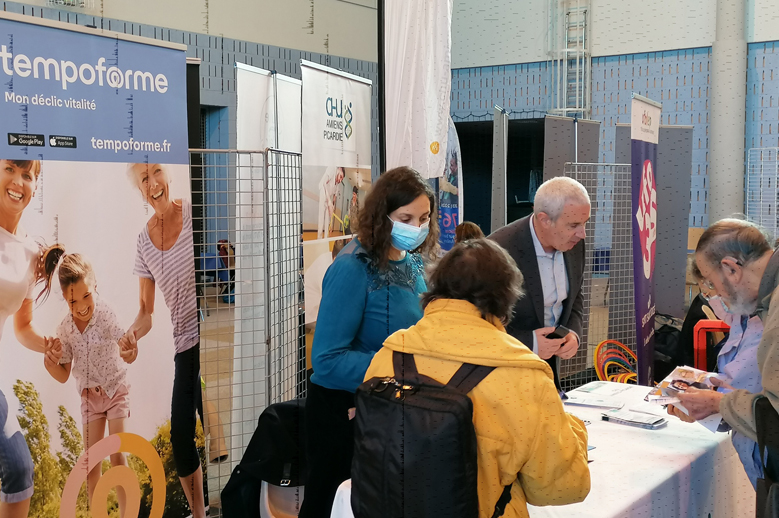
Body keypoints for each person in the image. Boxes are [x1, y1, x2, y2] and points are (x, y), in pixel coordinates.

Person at [363, 238, 590, 517]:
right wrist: (574, 428)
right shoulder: (525, 376)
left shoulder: (391, 353)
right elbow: (561, 488)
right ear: (505, 298)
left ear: (436, 285)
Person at [300, 166, 438, 518]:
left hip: (388, 406)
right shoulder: (352, 267)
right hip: (342, 412)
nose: (416, 227)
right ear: (382, 216)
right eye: (406, 217)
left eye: (423, 217)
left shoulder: (415, 262)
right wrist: (400, 368)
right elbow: (327, 360)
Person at [119, 163, 206, 518]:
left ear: (169, 176)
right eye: (144, 179)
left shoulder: (194, 214)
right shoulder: (143, 242)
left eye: (157, 173)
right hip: (184, 346)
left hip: (211, 337)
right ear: (139, 190)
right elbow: (146, 311)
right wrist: (131, 337)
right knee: (181, 437)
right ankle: (200, 514)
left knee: (220, 430)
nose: (153, 183)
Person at [670, 219, 776, 488]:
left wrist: (719, 404)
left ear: (730, 268)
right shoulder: (764, 301)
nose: (716, 294)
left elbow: (774, 417)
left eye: (712, 282)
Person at [42, 251, 131, 515]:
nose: (81, 305)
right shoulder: (64, 329)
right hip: (89, 399)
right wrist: (50, 365)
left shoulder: (105, 313)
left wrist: (130, 350)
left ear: (95, 286)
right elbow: (63, 374)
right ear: (64, 298)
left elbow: (124, 344)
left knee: (117, 455)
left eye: (86, 296)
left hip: (115, 389)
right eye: (72, 301)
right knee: (92, 463)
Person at [0, 159, 60, 518]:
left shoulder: (30, 254)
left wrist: (48, 345)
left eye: (28, 175)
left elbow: (23, 327)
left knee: (20, 469)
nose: (18, 182)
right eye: (10, 169)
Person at [489, 176, 590, 389]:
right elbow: (477, 323)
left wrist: (572, 332)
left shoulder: (573, 243)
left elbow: (576, 295)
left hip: (548, 371)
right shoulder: (498, 250)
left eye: (584, 223)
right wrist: (530, 343)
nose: (582, 233)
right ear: (544, 219)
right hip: (504, 375)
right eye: (574, 225)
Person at [317, 166, 345, 239]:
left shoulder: (338, 185)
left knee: (327, 218)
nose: (340, 180)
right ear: (339, 170)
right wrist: (329, 201)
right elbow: (324, 183)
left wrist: (331, 209)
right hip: (323, 191)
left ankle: (326, 238)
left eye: (342, 179)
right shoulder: (332, 169)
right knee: (321, 217)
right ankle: (319, 237)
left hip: (329, 196)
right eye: (341, 176)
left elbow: (334, 200)